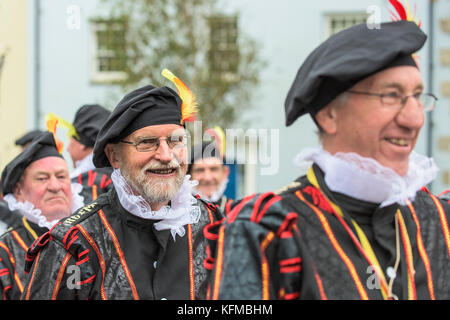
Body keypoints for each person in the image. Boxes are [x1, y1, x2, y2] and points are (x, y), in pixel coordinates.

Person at [204, 20, 450, 300]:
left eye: (417, 96)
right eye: (391, 96)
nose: (415, 119)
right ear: (329, 115)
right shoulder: (269, 231)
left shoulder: (440, 221)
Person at [21, 70, 223, 300]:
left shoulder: (214, 226)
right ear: (114, 156)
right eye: (147, 142)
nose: (167, 155)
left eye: (176, 140)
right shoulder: (74, 246)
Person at [0, 132, 84, 299]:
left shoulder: (93, 235)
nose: (55, 186)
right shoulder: (5, 251)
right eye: (42, 178)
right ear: (18, 191)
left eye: (61, 177)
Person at [58, 104, 113, 203]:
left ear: (82, 144)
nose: (67, 148)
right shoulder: (116, 175)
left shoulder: (88, 182)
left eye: (71, 140)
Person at [189, 141, 233, 214]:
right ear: (189, 176)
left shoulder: (237, 211)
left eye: (214, 169)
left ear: (225, 173)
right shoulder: (178, 214)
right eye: (200, 170)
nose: (207, 178)